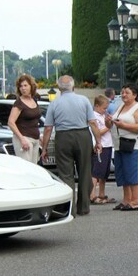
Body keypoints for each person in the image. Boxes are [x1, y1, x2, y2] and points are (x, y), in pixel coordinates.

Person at [41, 75, 102, 216]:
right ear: (73, 87)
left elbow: (48, 128)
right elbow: (92, 122)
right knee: (85, 172)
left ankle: (69, 209)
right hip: (82, 135)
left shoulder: (54, 103)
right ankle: (84, 207)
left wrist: (44, 148)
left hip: (63, 137)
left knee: (66, 174)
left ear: (58, 88)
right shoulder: (84, 100)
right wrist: (98, 141)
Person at [106, 83, 138, 211]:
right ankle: (126, 200)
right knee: (123, 172)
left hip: (133, 144)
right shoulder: (121, 107)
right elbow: (110, 126)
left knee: (132, 172)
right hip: (119, 144)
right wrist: (108, 121)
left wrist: (123, 126)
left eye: (127, 92)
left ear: (134, 95)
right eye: (122, 92)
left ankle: (135, 201)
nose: (124, 95)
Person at [7, 74, 42, 164]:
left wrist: (40, 136)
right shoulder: (19, 103)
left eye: (25, 85)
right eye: (21, 86)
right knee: (26, 169)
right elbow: (11, 122)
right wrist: (22, 139)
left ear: (31, 86)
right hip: (24, 138)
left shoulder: (34, 100)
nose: (23, 88)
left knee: (34, 169)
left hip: (35, 139)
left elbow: (35, 120)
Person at [90, 94, 115, 205]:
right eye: (103, 108)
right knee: (96, 171)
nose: (105, 110)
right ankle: (92, 194)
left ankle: (102, 193)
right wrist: (109, 126)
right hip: (101, 145)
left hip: (108, 145)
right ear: (96, 106)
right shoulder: (94, 116)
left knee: (105, 172)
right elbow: (98, 132)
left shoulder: (103, 116)